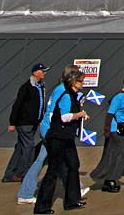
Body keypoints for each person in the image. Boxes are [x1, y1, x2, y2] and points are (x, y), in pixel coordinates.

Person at [17, 65, 89, 206]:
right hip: (53, 130)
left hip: (51, 129)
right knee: (53, 162)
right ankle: (26, 193)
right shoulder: (63, 91)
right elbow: (59, 114)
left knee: (50, 160)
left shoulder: (61, 89)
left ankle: (75, 188)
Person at [91, 75, 124, 193]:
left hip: (122, 129)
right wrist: (107, 131)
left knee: (113, 154)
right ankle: (111, 178)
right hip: (115, 130)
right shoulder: (119, 97)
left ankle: (108, 180)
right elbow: (110, 114)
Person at [3, 63, 50, 183]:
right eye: (42, 71)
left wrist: (40, 118)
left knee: (20, 147)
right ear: (35, 72)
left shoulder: (40, 87)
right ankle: (22, 173)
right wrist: (12, 122)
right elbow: (17, 105)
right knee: (29, 147)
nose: (44, 73)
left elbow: (40, 104)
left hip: (33, 122)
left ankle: (10, 173)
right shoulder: (27, 87)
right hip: (24, 123)